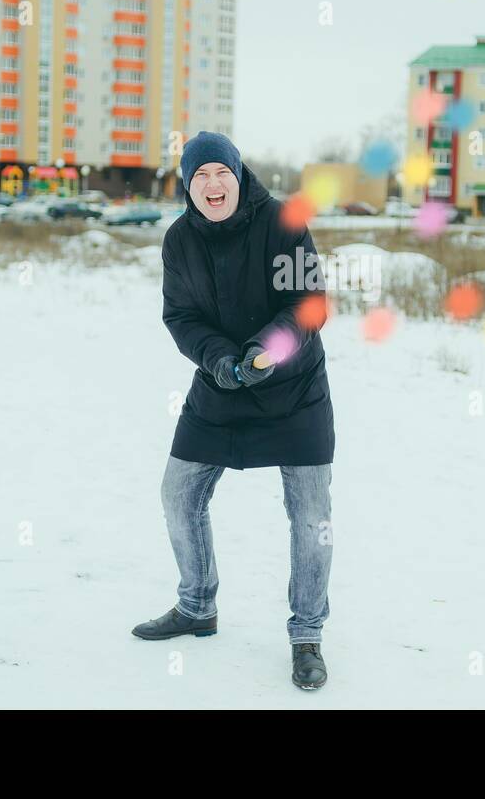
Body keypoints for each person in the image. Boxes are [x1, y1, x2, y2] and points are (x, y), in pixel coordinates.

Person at [131, 131, 336, 691]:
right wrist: (222, 360)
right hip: (221, 386)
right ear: (187, 186)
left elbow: (309, 304)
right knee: (178, 491)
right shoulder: (179, 241)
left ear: (239, 176)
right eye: (200, 176)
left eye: (222, 172)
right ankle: (197, 606)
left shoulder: (282, 222)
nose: (212, 184)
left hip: (294, 388)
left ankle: (307, 634)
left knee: (311, 514)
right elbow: (180, 317)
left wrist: (265, 350)